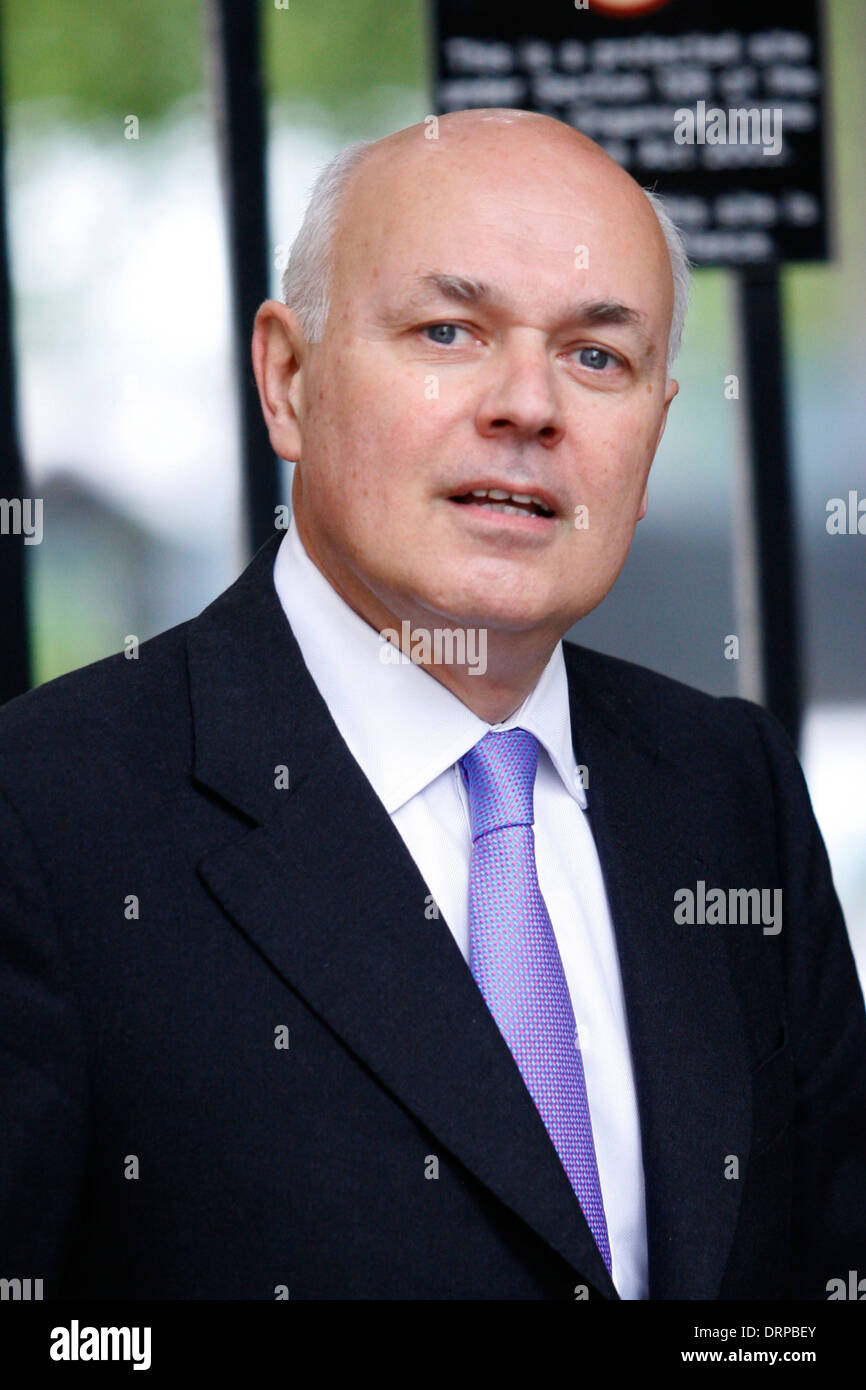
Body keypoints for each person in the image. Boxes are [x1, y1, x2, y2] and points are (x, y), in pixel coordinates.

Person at [1, 109, 864, 1301]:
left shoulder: (727, 783)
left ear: (653, 435)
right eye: (448, 330)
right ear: (288, 378)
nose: (527, 405)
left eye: (596, 356)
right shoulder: (44, 813)